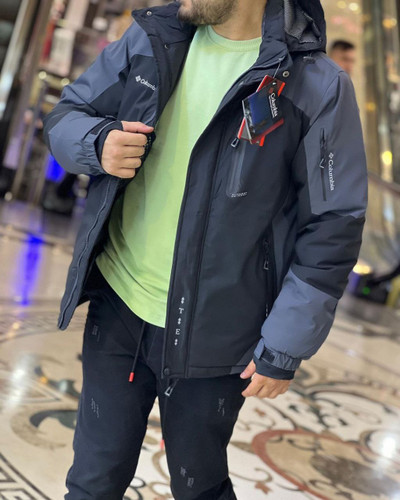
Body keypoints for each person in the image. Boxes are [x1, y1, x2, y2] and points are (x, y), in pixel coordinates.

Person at [43, 0, 368, 498]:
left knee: (199, 487)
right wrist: (97, 141)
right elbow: (69, 113)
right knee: (91, 482)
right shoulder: (153, 38)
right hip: (119, 303)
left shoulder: (317, 85)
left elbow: (333, 223)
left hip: (219, 335)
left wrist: (286, 343)